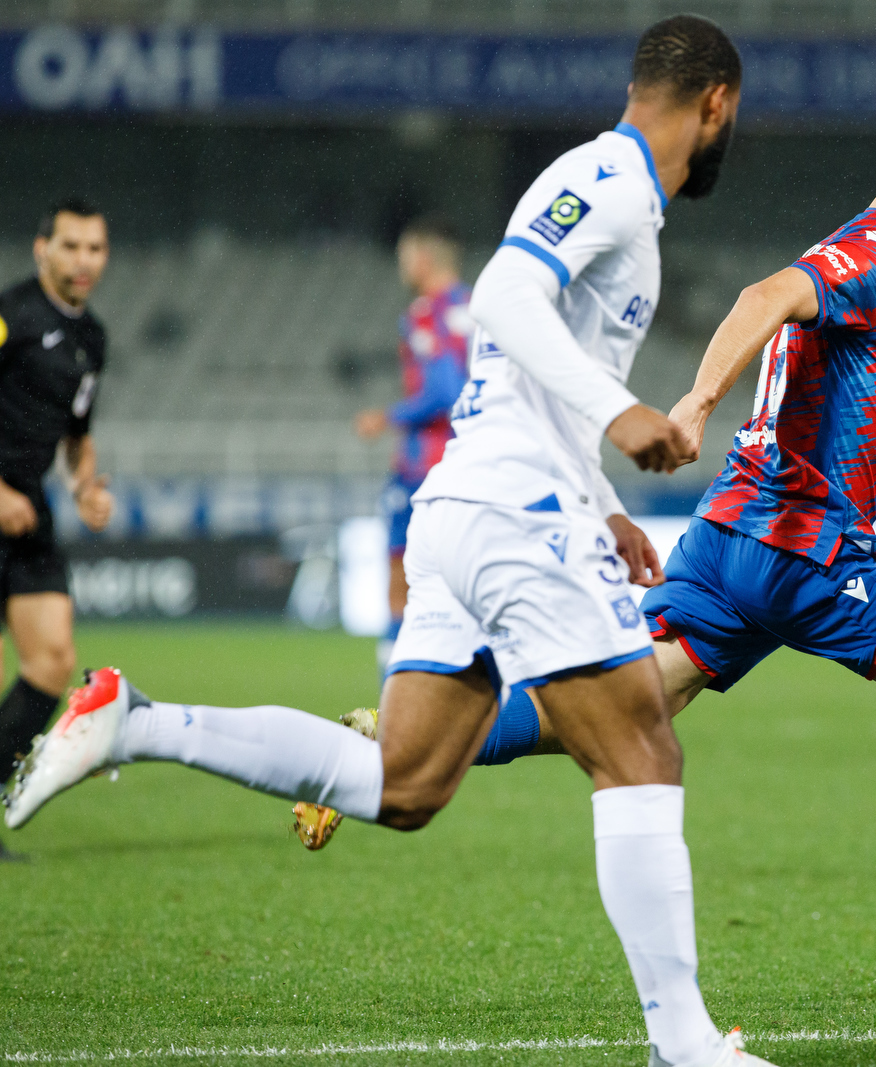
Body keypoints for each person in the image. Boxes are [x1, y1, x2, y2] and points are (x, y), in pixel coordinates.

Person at [4, 16, 778, 1067]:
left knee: (407, 781)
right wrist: (620, 413)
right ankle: (684, 1044)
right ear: (716, 102)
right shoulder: (610, 176)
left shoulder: (617, 192)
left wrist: (601, 499)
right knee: (639, 743)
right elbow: (500, 297)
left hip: (473, 502)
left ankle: (135, 721)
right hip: (511, 508)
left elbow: (519, 375)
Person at [430, 123, 876, 990]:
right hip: (805, 552)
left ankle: (402, 747)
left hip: (725, 542)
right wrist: (698, 404)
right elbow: (761, 295)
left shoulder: (853, 250)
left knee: (618, 706)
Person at [0, 197, 115, 862]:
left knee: (51, 661)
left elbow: (77, 434)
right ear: (42, 248)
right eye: (71, 246)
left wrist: (86, 485)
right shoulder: (11, 314)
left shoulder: (91, 337)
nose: (83, 261)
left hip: (31, 509)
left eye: (95, 248)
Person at [353, 215, 473, 669]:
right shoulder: (482, 308)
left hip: (425, 467)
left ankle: (396, 688)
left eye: (405, 256)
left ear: (422, 258)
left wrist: (386, 417)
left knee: (400, 580)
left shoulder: (425, 313)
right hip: (476, 464)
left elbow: (447, 392)